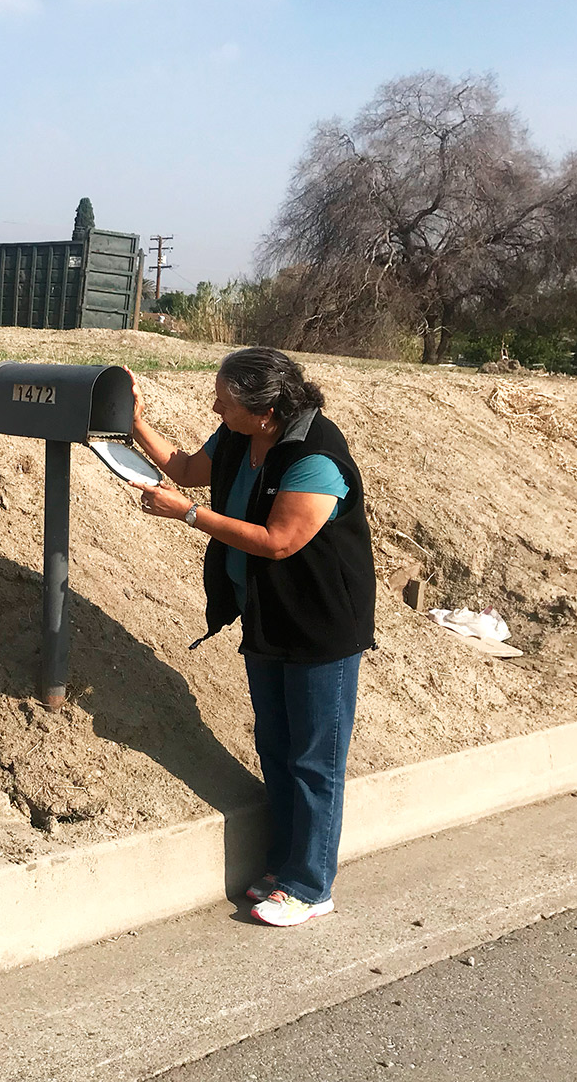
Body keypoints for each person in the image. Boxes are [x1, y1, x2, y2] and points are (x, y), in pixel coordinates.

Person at [127, 347, 375, 927]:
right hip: (268, 619)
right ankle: (286, 864)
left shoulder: (316, 457)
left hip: (319, 628)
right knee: (277, 747)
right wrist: (135, 419)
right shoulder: (240, 434)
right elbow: (187, 469)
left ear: (264, 409)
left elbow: (278, 541)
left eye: (224, 398)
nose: (214, 404)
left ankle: (312, 886)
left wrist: (188, 516)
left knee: (315, 759)